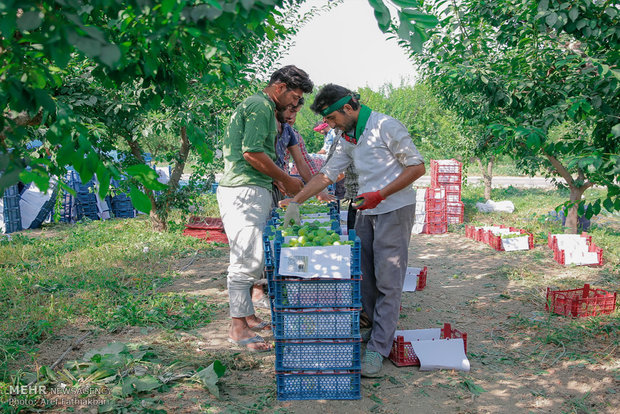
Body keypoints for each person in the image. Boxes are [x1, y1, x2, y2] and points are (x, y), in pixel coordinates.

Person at [281, 84, 425, 375]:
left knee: (388, 278)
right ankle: (374, 326)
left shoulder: (385, 126)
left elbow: (417, 167)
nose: (330, 125)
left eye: (332, 118)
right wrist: (296, 200)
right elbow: (327, 174)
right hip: (365, 209)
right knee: (365, 276)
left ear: (348, 108)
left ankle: (379, 347)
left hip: (392, 209)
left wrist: (381, 194)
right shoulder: (348, 137)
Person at [216, 65, 313, 352]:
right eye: (295, 98)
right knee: (246, 260)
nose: (295, 105)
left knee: (253, 258)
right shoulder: (260, 106)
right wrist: (286, 179)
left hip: (254, 187)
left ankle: (247, 318)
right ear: (280, 88)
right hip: (244, 191)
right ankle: (237, 328)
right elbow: (252, 153)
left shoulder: (262, 107)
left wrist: (279, 181)